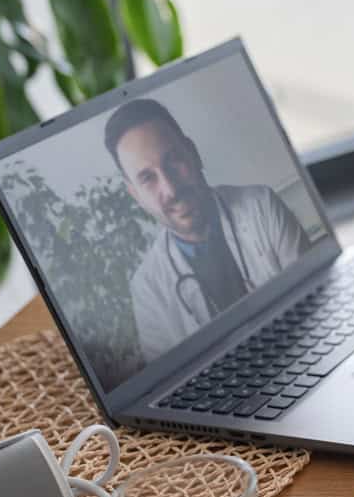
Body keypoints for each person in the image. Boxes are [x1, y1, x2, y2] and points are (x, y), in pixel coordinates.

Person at [105, 98, 312, 361]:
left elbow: (314, 304)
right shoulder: (147, 288)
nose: (170, 189)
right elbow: (170, 380)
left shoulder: (261, 206)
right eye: (148, 178)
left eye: (173, 160)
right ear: (135, 195)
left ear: (193, 153)